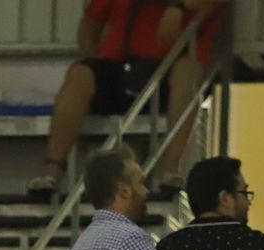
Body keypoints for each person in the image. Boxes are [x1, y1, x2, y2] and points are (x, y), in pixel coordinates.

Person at [28, 0, 219, 197]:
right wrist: (94, 57)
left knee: (187, 74)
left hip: (169, 73)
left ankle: (169, 170)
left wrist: (177, 7)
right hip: (120, 70)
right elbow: (90, 23)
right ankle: (52, 170)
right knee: (80, 74)